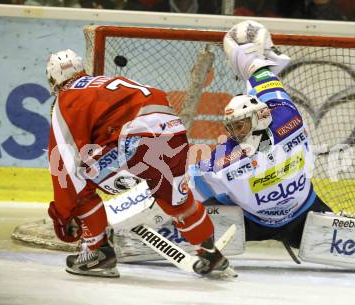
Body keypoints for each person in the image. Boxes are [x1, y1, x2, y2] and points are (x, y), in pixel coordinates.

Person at [46, 49, 229, 277]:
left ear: (53, 79)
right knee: (179, 202)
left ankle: (97, 252)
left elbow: (64, 164)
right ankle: (211, 253)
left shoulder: (66, 98)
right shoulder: (110, 81)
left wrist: (62, 214)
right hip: (173, 132)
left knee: (80, 182)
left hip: (135, 141)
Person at [190, 21, 333, 256]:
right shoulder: (284, 117)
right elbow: (183, 186)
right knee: (200, 207)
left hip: (305, 212)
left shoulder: (287, 118)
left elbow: (264, 80)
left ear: (261, 115)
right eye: (232, 126)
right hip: (249, 224)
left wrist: (255, 61)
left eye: (242, 123)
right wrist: (255, 63)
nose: (237, 131)